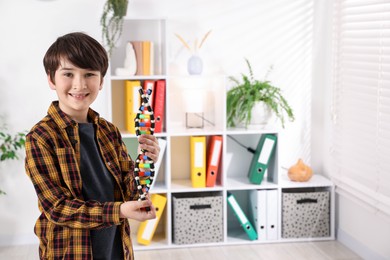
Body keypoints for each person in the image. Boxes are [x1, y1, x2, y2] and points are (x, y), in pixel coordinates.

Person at [25, 32, 159, 260]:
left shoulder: (109, 131)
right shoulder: (40, 137)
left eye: (89, 74)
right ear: (51, 79)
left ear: (101, 81)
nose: (79, 84)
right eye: (68, 74)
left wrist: (145, 164)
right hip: (69, 253)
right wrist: (118, 211)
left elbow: (129, 192)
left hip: (116, 249)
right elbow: (57, 207)